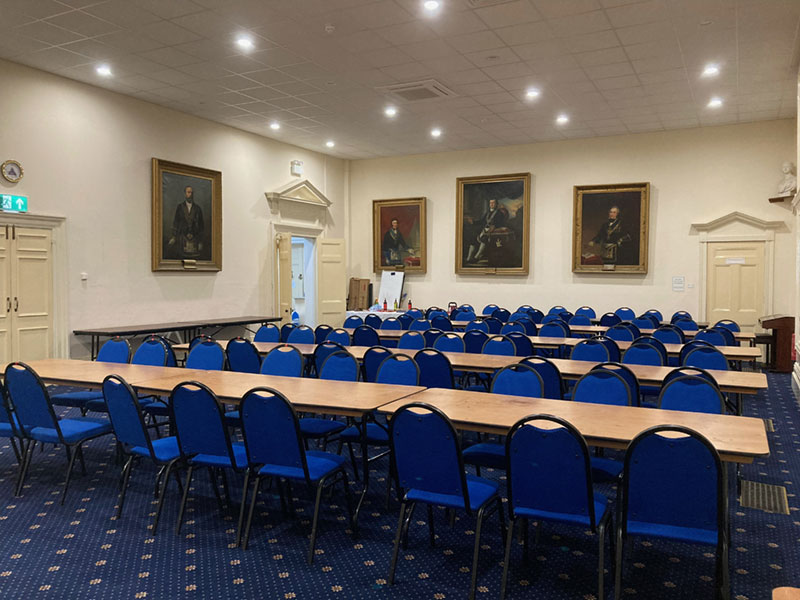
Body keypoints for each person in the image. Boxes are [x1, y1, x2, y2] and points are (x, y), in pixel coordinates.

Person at [465, 198, 507, 263]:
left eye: (493, 203)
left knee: (484, 238)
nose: (491, 204)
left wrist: (494, 227)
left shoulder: (499, 213)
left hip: (493, 231)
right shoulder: (487, 212)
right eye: (490, 203)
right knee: (473, 238)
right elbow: (482, 221)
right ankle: (469, 258)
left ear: (496, 204)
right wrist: (473, 222)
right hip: (484, 230)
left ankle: (477, 257)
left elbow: (501, 224)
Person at [168, 185, 205, 258]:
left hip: (195, 239)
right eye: (188, 192)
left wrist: (200, 241)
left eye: (191, 192)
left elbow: (201, 226)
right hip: (182, 238)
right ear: (185, 194)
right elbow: (176, 222)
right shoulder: (180, 207)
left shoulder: (197, 208)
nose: (190, 194)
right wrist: (174, 237)